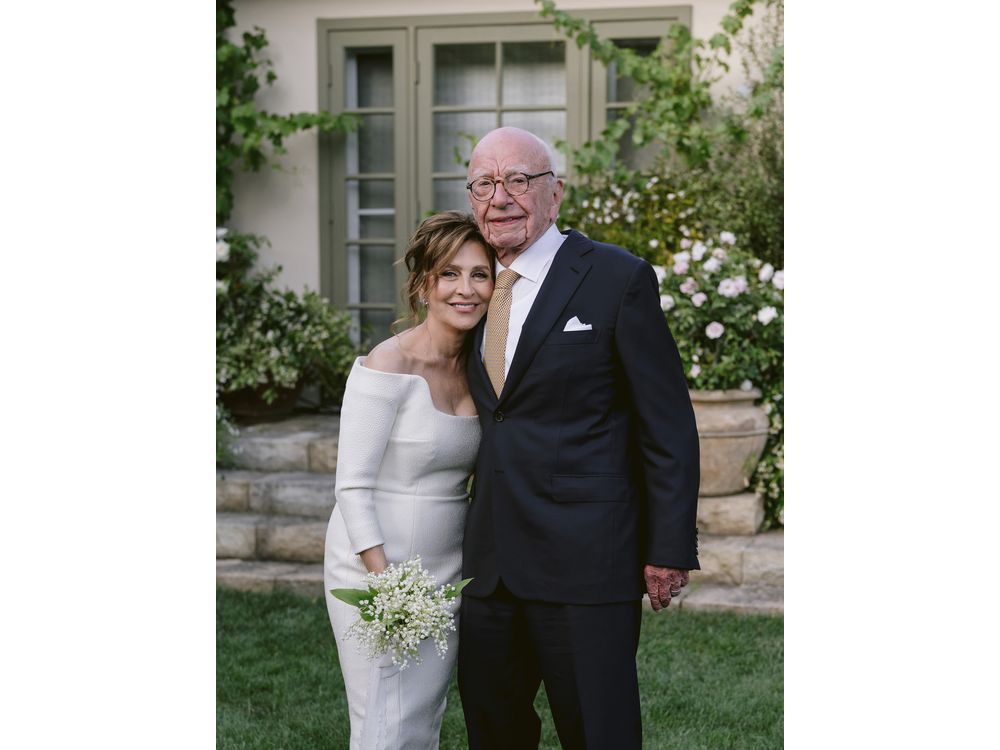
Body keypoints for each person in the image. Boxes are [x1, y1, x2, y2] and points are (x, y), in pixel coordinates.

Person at [457, 127, 701, 749]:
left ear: (555, 193)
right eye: (485, 183)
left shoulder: (617, 278)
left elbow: (666, 424)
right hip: (489, 568)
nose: (501, 197)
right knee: (494, 730)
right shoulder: (469, 286)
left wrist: (669, 546)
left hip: (588, 564)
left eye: (519, 179)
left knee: (599, 733)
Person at [323, 211, 495, 749]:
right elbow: (352, 485)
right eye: (450, 274)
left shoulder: (483, 369)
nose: (465, 290)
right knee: (382, 716)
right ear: (423, 285)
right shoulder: (387, 363)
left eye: (480, 274)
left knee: (422, 715)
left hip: (446, 569)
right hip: (378, 566)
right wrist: (387, 586)